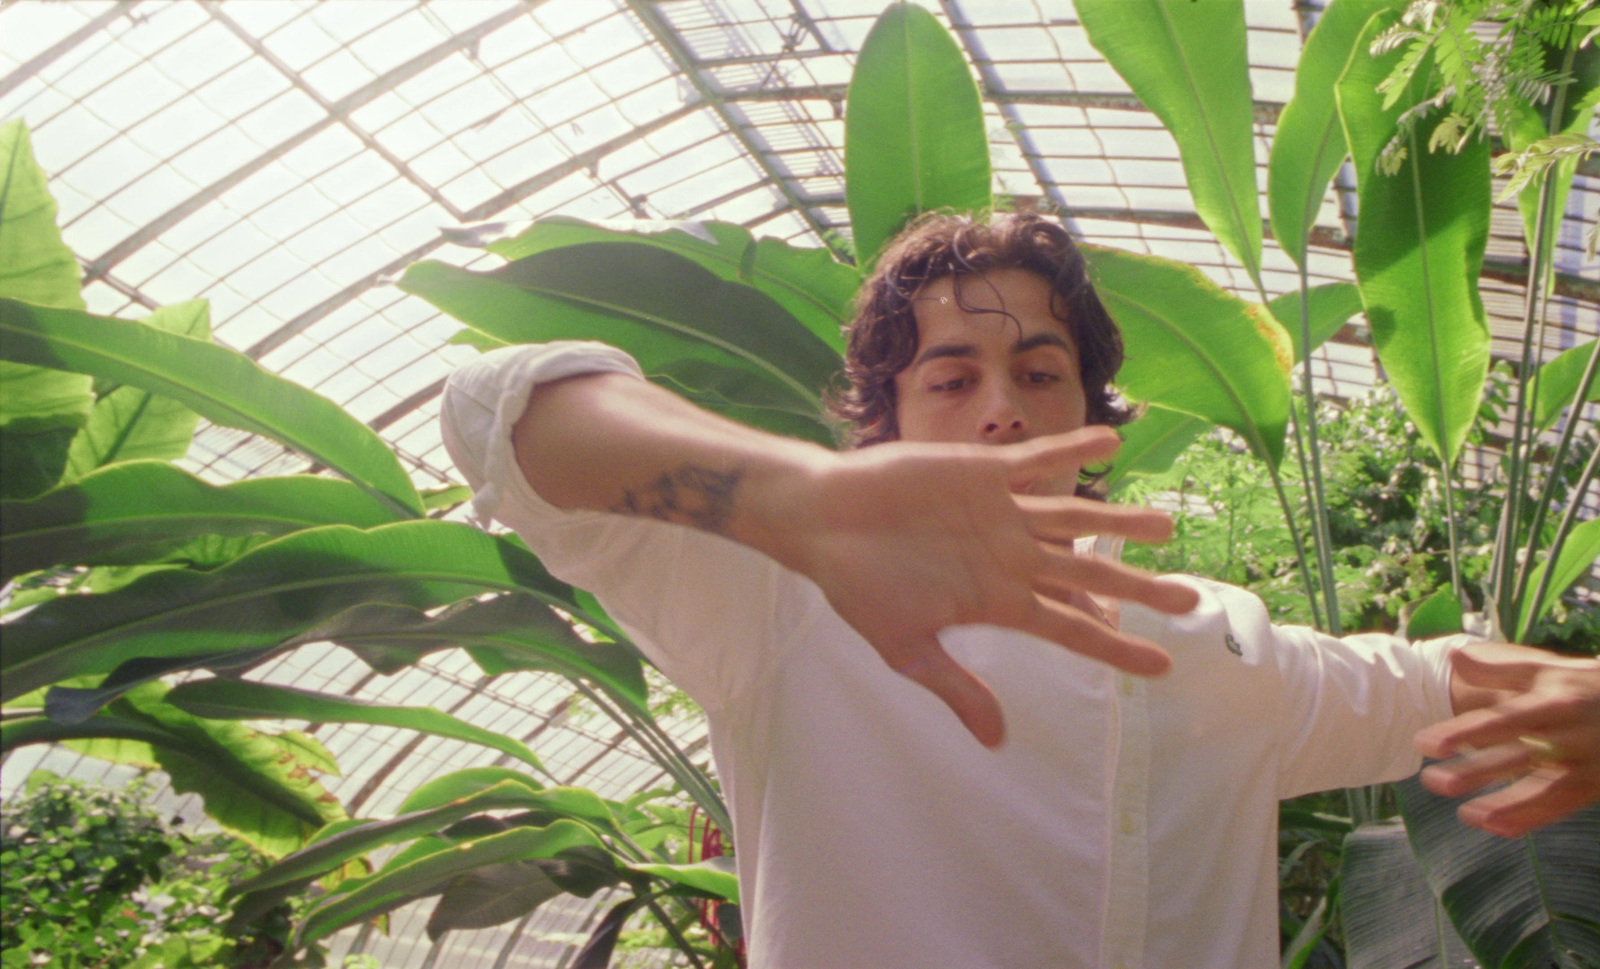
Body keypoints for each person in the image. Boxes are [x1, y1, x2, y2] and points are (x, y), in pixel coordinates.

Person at [441, 212, 1600, 969]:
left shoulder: (1219, 640)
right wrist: (795, 501)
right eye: (949, 377)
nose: (1000, 403)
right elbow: (498, 411)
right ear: (883, 422)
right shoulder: (780, 598)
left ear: (1093, 422)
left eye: (1040, 372)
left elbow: (1451, 682)